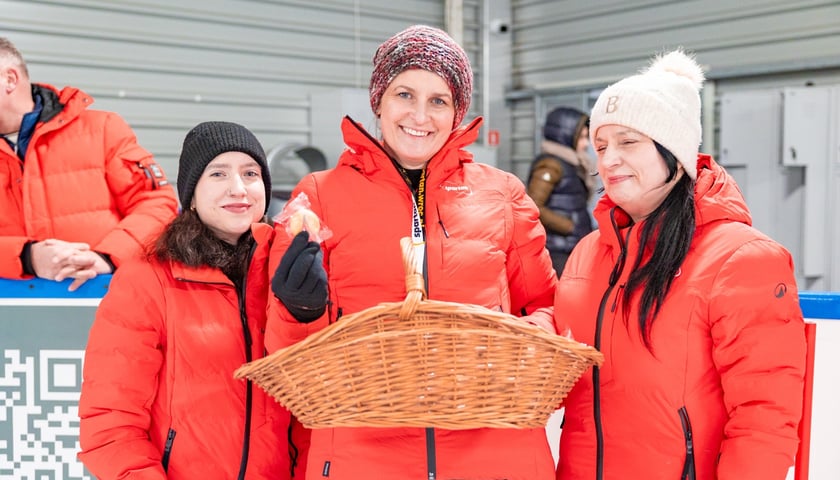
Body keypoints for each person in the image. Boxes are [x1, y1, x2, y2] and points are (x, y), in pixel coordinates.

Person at [266, 25, 558, 480]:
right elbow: (287, 356)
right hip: (363, 455)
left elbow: (546, 308)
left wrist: (501, 351)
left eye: (439, 100)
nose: (420, 115)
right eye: (405, 94)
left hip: (494, 452)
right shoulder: (319, 197)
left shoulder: (502, 194)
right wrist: (298, 311)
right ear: (378, 100)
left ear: (457, 112)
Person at [553, 49, 806, 480]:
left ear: (675, 150)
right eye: (600, 145)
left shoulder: (741, 259)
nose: (608, 159)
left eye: (628, 142)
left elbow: (764, 415)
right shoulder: (588, 254)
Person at [78, 122, 304, 479]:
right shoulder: (147, 279)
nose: (239, 188)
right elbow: (110, 422)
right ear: (192, 195)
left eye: (250, 173)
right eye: (218, 173)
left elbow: (313, 411)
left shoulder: (288, 273)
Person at [0, 37, 178, 290]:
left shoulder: (102, 130)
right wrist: (26, 257)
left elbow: (157, 204)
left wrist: (106, 257)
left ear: (9, 79)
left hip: (105, 303)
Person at [526, 106, 596, 276]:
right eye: (582, 137)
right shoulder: (551, 164)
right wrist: (570, 227)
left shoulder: (574, 164)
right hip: (558, 248)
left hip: (571, 245)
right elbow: (533, 206)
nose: (586, 144)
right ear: (566, 134)